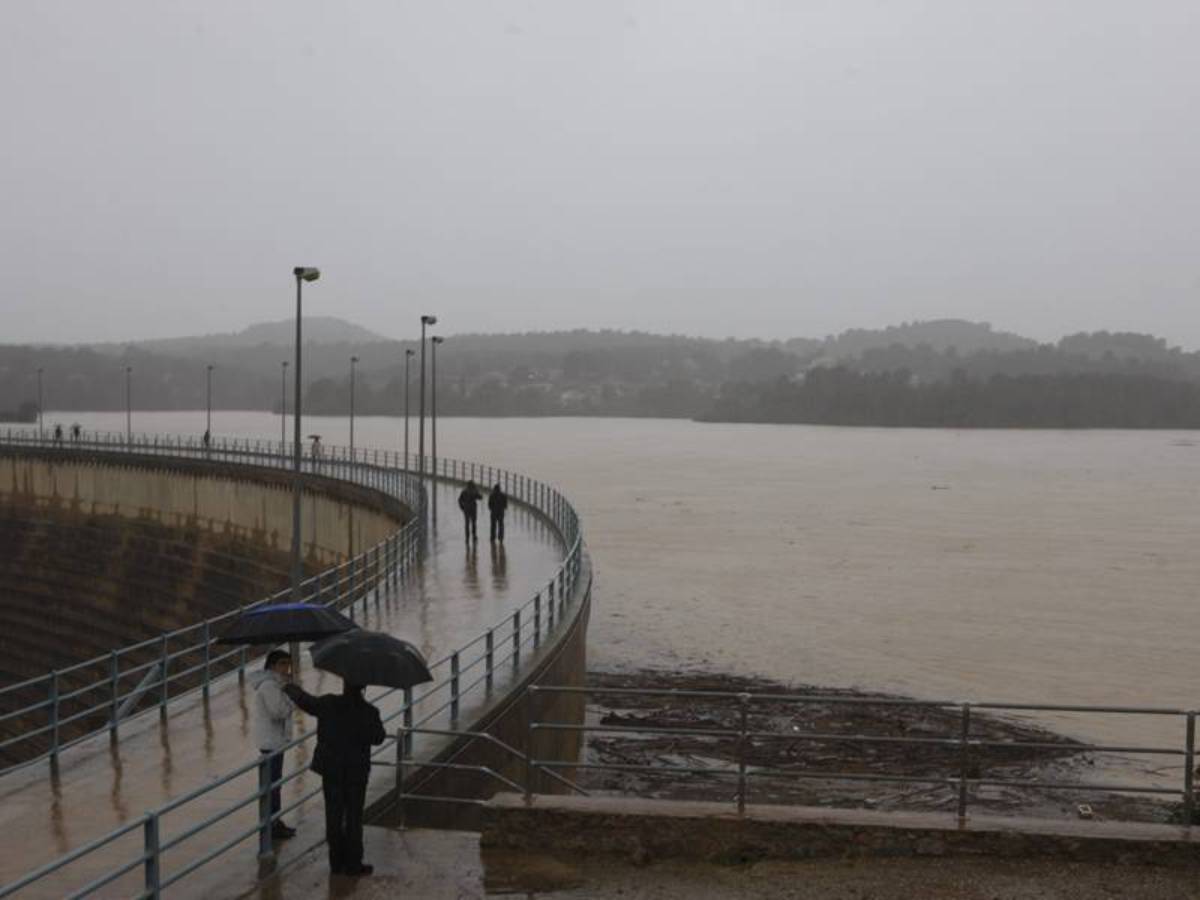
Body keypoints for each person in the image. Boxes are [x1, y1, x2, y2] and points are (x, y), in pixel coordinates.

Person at [284, 680, 386, 877]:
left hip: (331, 770)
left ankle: (336, 864)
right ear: (363, 688)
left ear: (344, 685)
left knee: (333, 816)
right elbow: (379, 737)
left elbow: (307, 703)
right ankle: (354, 864)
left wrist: (291, 687)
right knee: (354, 818)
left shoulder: (329, 703)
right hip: (356, 773)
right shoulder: (369, 711)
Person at [251, 650, 297, 839]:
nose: (286, 668)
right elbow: (278, 712)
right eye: (282, 663)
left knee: (274, 786)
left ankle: (275, 822)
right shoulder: (269, 686)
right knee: (272, 787)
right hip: (271, 743)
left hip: (275, 741)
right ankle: (272, 825)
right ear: (272, 666)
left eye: (288, 663)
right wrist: (291, 697)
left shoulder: (275, 684)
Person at [457, 480, 483, 544]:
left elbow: (459, 500)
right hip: (473, 509)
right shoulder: (474, 491)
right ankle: (474, 536)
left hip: (466, 509)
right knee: (473, 523)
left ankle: (467, 537)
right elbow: (480, 497)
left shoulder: (464, 491)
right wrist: (477, 491)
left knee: (467, 524)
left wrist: (462, 507)